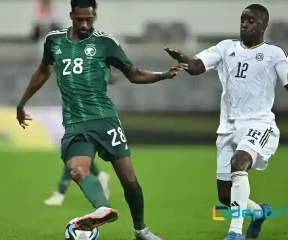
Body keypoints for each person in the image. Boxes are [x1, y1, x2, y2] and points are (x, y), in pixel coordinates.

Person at [16, 0, 187, 239]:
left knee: (128, 180)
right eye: (80, 19)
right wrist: (22, 103)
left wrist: (163, 75)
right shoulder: (53, 41)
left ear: (94, 15)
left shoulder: (105, 43)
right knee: (76, 170)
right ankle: (102, 208)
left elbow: (134, 74)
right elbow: (43, 70)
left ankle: (141, 230)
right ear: (71, 16)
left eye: (89, 19)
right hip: (75, 123)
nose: (85, 24)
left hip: (104, 119)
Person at [164, 4, 288, 240]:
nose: (245, 24)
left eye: (251, 21)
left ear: (264, 26)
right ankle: (258, 213)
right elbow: (197, 67)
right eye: (243, 19)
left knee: (240, 163)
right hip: (228, 127)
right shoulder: (226, 48)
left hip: (259, 123)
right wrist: (185, 59)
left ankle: (234, 233)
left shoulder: (274, 54)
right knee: (224, 196)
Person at [44, 72, 119, 206]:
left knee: (72, 151)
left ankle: (60, 193)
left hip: (91, 115)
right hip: (76, 114)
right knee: (78, 153)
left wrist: (101, 71)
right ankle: (99, 176)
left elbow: (113, 79)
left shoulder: (90, 60)